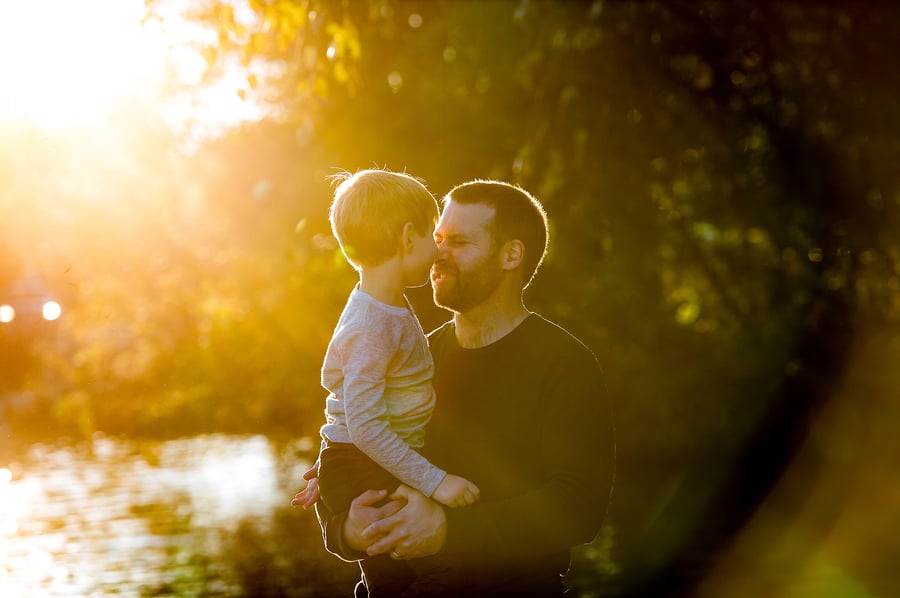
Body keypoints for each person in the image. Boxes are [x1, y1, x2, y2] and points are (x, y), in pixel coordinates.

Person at [297, 179, 615, 597]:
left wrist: (450, 529)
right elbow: (352, 457)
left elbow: (578, 510)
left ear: (511, 255)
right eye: (438, 237)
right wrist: (346, 531)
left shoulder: (565, 363)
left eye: (459, 242)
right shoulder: (416, 354)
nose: (438, 253)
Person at [309, 169, 482, 596]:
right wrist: (436, 481)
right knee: (428, 569)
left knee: (404, 574)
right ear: (408, 239)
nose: (437, 251)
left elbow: (365, 406)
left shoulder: (386, 307)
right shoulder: (370, 327)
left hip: (364, 459)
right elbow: (365, 427)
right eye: (433, 238)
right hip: (362, 463)